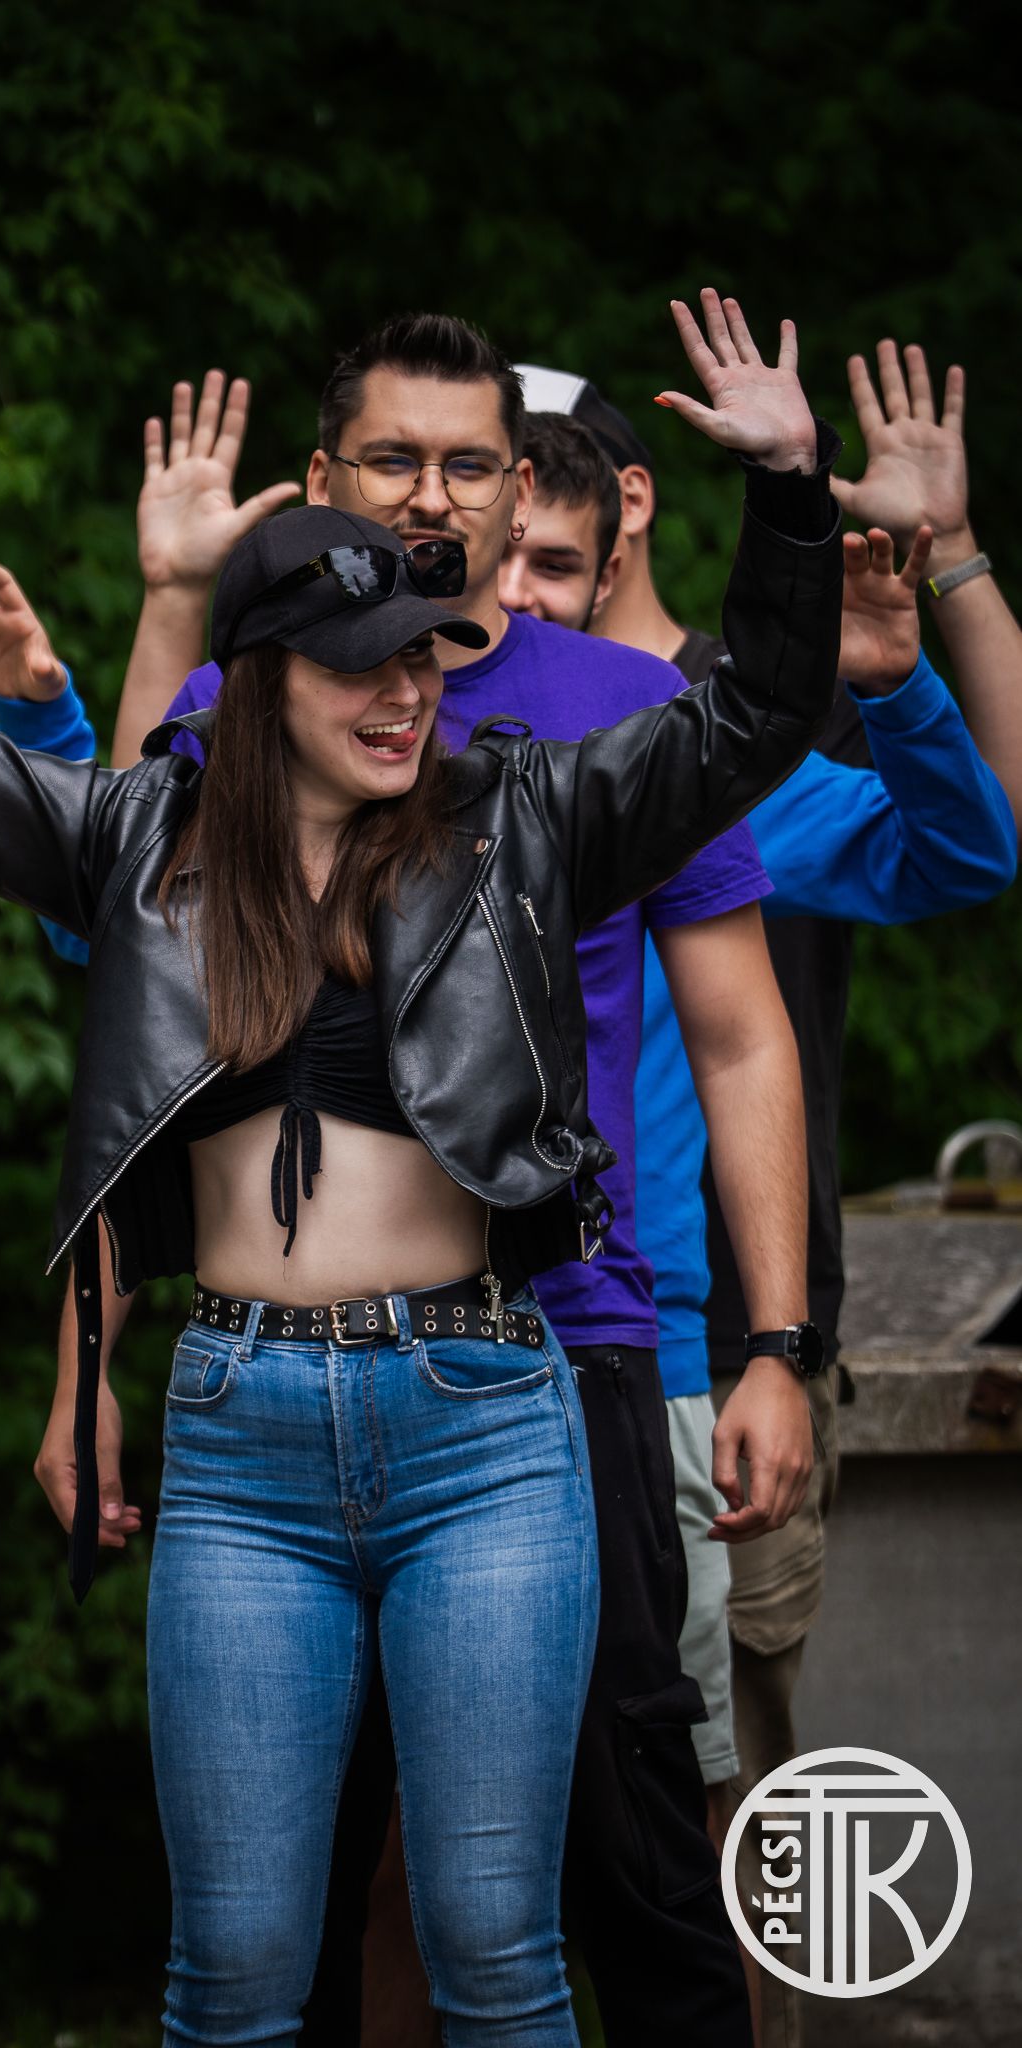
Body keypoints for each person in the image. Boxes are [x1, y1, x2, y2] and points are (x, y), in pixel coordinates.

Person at [0, 296, 840, 2048]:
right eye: (364, 661)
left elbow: (752, 712)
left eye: (425, 658)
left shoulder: (524, 818)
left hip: (484, 1417)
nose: (409, 690)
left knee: (496, 1951)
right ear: (261, 674)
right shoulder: (137, 840)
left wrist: (785, 490)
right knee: (232, 1974)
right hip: (241, 1438)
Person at [523, 349, 1019, 2048]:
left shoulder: (713, 743)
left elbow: (968, 848)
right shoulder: (404, 733)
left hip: (699, 1364)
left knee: (720, 1830)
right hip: (461, 1361)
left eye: (541, 541)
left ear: (619, 510)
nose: (507, 584)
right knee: (448, 1842)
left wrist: (921, 629)